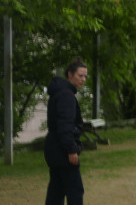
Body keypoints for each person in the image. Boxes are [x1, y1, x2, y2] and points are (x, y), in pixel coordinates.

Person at [44, 58, 88, 205]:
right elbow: (64, 125)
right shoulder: (66, 96)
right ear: (70, 74)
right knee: (75, 191)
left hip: (53, 149)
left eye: (85, 76)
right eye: (80, 75)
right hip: (62, 151)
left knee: (56, 191)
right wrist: (71, 150)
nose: (83, 79)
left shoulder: (59, 93)